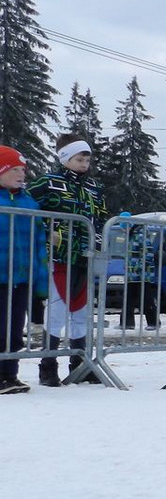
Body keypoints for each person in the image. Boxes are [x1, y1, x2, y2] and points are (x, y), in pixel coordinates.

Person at [27, 134, 107, 386]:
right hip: (58, 256)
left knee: (81, 311)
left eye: (87, 159)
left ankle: (80, 362)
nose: (85, 164)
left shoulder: (93, 187)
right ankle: (48, 365)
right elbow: (26, 207)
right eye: (79, 159)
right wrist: (46, 230)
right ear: (64, 158)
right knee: (58, 310)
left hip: (86, 257)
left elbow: (102, 217)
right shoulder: (48, 182)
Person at [0, 146, 48, 394]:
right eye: (14, 169)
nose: (21, 174)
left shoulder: (29, 202)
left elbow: (39, 241)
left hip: (19, 277)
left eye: (23, 170)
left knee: (14, 329)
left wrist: (40, 278)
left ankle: (9, 374)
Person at [118, 214, 159, 330]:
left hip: (143, 275)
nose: (123, 230)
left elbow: (148, 254)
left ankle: (154, 322)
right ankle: (127, 323)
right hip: (132, 275)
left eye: (123, 227)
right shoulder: (131, 237)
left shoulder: (140, 236)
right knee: (128, 298)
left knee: (146, 299)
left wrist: (137, 268)